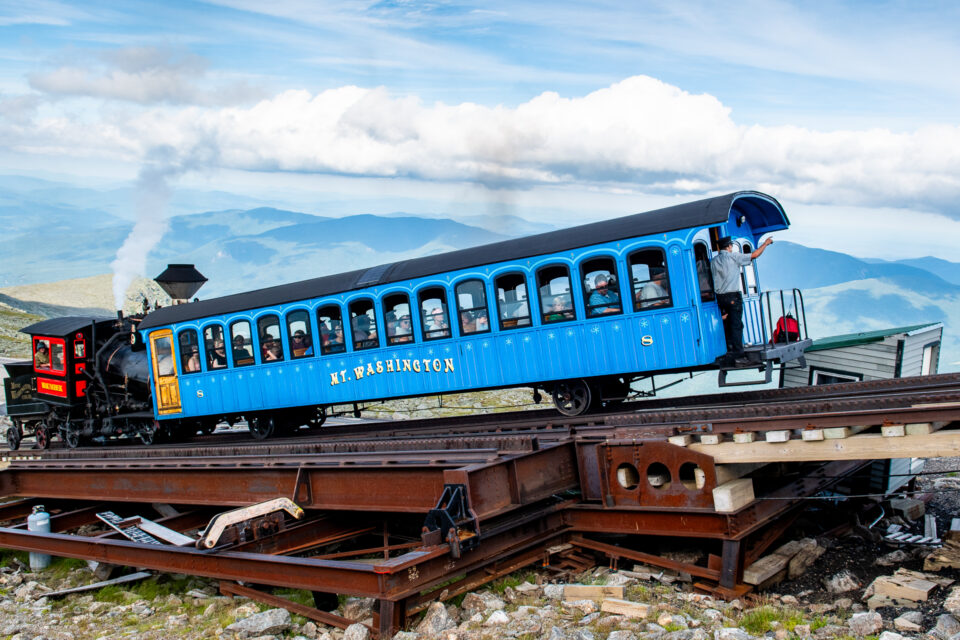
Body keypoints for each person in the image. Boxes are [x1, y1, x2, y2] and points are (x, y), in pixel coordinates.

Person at [711, 235, 773, 362]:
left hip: (720, 297)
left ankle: (729, 347)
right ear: (729, 246)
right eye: (731, 246)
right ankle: (738, 353)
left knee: (728, 323)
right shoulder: (734, 257)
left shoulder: (714, 261)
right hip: (733, 296)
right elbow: (754, 255)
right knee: (736, 324)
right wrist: (765, 243)